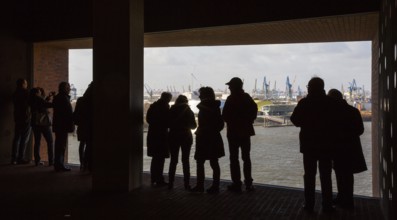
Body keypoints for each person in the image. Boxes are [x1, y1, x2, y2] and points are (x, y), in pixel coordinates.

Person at [290, 77, 338, 213]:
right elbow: (337, 123)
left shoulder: (304, 103)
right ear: (322, 87)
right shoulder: (331, 103)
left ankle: (309, 204)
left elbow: (295, 120)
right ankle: (327, 205)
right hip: (326, 145)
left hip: (309, 145)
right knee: (326, 176)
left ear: (310, 88)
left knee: (309, 176)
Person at [327, 89, 367, 209]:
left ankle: (342, 198)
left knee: (339, 174)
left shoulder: (332, 113)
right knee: (348, 175)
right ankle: (348, 199)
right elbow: (360, 130)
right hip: (351, 148)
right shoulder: (353, 111)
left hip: (337, 149)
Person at [222, 77, 257, 192]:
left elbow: (225, 116)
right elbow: (254, 110)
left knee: (234, 158)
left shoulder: (230, 99)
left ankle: (236, 183)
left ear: (234, 87)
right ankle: (248, 184)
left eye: (230, 86)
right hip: (245, 132)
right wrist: (248, 121)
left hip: (232, 132)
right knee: (246, 158)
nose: (229, 88)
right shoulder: (247, 98)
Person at [191, 87, 225, 193]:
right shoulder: (216, 108)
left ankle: (200, 185)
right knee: (214, 162)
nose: (199, 96)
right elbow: (220, 125)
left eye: (201, 94)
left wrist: (203, 130)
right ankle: (215, 186)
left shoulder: (202, 108)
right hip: (214, 137)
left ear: (205, 95)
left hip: (203, 137)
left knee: (200, 162)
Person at [168, 95, 197, 190]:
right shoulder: (188, 111)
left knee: (173, 160)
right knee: (185, 161)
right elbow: (193, 126)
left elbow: (167, 123)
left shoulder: (171, 110)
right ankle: (186, 184)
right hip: (186, 137)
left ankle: (170, 183)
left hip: (173, 136)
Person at [146, 92, 172, 186]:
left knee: (155, 159)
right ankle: (159, 179)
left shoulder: (153, 106)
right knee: (160, 159)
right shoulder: (165, 108)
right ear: (168, 99)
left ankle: (153, 178)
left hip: (153, 135)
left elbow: (148, 120)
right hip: (161, 136)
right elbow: (168, 122)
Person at [29, 87, 54, 166]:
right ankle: (51, 161)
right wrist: (55, 100)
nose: (40, 93)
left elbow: (42, 104)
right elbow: (47, 104)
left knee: (37, 142)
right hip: (43, 124)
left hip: (35, 123)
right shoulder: (38, 99)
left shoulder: (32, 100)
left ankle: (37, 160)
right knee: (50, 141)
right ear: (37, 93)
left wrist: (48, 97)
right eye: (39, 92)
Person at [53, 82, 74, 172]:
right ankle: (59, 165)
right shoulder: (64, 98)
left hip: (59, 125)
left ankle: (58, 164)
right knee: (61, 145)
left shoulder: (59, 97)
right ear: (64, 88)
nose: (69, 89)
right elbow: (67, 114)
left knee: (59, 145)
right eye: (68, 87)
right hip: (62, 126)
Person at [11, 78, 32, 165]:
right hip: (26, 118)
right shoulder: (26, 93)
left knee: (16, 138)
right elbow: (32, 103)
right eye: (26, 83)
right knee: (24, 138)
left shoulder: (15, 93)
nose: (27, 85)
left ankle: (14, 159)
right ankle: (21, 158)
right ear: (23, 84)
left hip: (17, 117)